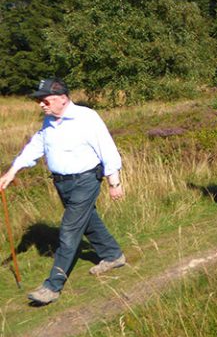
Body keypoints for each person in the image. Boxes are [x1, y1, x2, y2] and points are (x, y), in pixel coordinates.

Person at [0, 78, 126, 305]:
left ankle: (52, 286)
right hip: (62, 183)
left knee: (68, 231)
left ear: (63, 98)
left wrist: (114, 182)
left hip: (86, 180)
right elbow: (35, 146)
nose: (41, 104)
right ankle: (113, 255)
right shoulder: (49, 121)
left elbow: (107, 148)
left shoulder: (86, 118)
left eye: (45, 99)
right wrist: (12, 172)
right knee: (87, 222)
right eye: (39, 100)